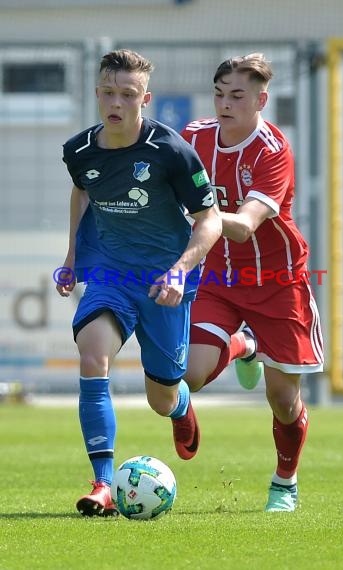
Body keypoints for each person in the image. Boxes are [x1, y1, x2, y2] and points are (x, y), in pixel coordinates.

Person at [56, 49, 222, 517]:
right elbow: (83, 189)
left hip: (165, 281)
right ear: (97, 94)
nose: (117, 102)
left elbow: (208, 220)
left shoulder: (171, 151)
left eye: (128, 94)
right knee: (92, 354)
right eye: (109, 92)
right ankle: (103, 484)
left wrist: (180, 269)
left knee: (160, 397)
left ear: (144, 98)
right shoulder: (80, 151)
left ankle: (180, 405)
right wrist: (72, 255)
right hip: (110, 270)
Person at [181, 53, 324, 512]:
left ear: (261, 99)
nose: (225, 104)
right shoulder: (193, 138)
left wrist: (201, 214)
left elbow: (243, 225)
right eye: (219, 94)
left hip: (278, 280)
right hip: (219, 275)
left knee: (283, 400)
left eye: (237, 96)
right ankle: (243, 343)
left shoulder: (273, 151)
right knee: (192, 375)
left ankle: (285, 481)